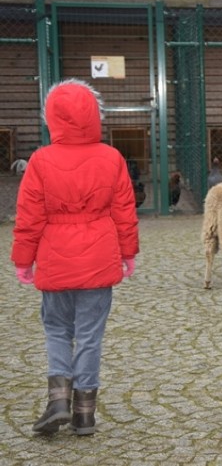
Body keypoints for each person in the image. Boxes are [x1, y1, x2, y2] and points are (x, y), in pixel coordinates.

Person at [11, 79, 139, 436]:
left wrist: (24, 260)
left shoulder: (40, 160)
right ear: (95, 115)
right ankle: (84, 413)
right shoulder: (112, 158)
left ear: (51, 118)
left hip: (55, 260)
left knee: (56, 329)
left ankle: (57, 401)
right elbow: (125, 212)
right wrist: (127, 253)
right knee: (89, 335)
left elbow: (29, 216)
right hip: (98, 261)